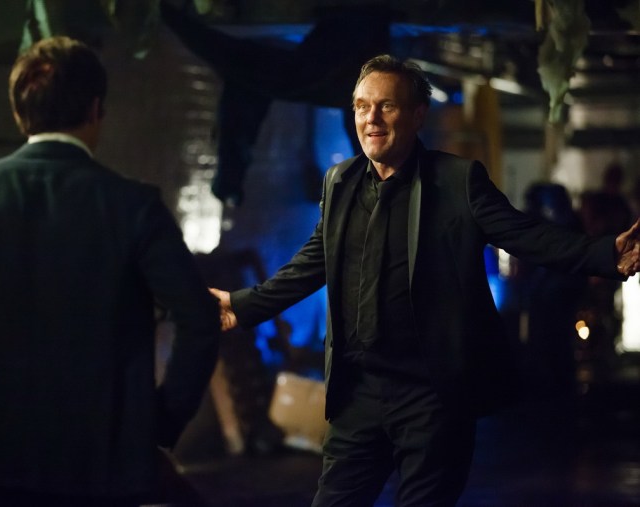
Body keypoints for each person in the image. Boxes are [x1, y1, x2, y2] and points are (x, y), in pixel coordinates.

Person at [210, 54, 640, 506]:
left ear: (417, 115)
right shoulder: (340, 182)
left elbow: (527, 236)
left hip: (432, 396)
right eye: (362, 106)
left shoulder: (457, 181)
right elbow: (311, 263)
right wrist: (241, 306)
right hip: (359, 394)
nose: (371, 119)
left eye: (386, 106)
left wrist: (606, 254)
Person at [0, 36, 220, 507]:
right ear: (95, 109)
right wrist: (158, 422)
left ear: (19, 112)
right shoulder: (132, 206)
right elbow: (199, 317)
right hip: (98, 461)